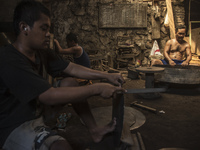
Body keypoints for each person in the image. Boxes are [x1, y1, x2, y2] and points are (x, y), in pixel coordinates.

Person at [0, 1, 125, 150]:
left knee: (70, 83)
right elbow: (47, 95)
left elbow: (71, 68)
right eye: (43, 28)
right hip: (14, 125)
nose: (48, 34)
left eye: (49, 29)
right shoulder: (8, 59)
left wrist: (106, 76)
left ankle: (95, 131)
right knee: (61, 146)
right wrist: (96, 89)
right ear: (24, 27)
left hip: (36, 112)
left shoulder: (41, 51)